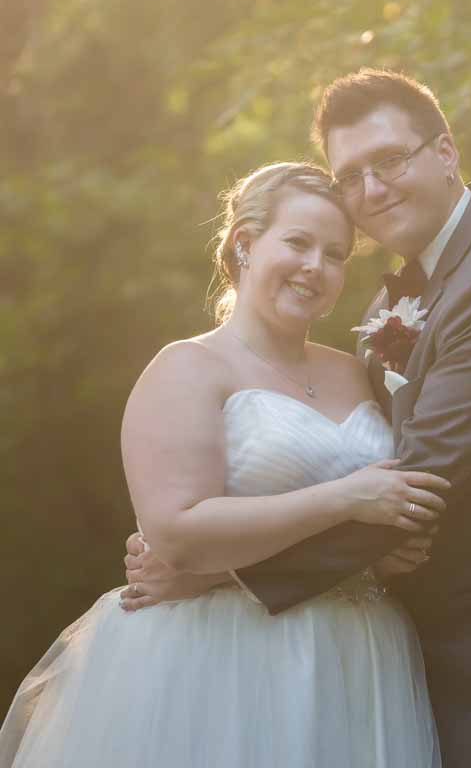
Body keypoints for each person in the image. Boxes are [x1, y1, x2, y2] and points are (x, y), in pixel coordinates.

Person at [123, 68, 471, 768]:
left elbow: (416, 481)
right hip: (429, 654)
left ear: (445, 153)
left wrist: (212, 572)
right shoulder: (408, 294)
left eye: (389, 162)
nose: (371, 191)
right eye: (351, 176)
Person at [0, 162, 446, 767]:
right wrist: (348, 502)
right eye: (298, 242)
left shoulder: (356, 370)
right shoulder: (187, 368)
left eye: (336, 254)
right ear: (244, 243)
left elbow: (395, 514)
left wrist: (385, 547)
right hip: (225, 659)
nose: (316, 266)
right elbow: (179, 535)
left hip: (360, 656)